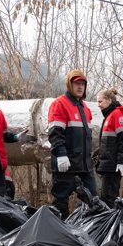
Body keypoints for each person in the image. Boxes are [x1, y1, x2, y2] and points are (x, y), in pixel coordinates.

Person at [48, 69, 98, 218]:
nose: (80, 87)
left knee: (93, 200)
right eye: (77, 83)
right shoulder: (59, 104)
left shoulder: (85, 108)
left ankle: (85, 233)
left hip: (84, 166)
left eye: (83, 84)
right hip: (66, 164)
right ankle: (58, 234)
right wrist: (61, 155)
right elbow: (55, 134)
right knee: (60, 202)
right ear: (70, 84)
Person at [95, 88, 123, 208]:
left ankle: (111, 225)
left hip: (113, 165)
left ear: (109, 100)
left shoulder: (116, 114)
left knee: (109, 198)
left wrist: (122, 161)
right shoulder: (109, 116)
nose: (98, 105)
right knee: (107, 197)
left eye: (100, 101)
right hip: (108, 165)